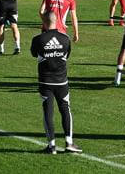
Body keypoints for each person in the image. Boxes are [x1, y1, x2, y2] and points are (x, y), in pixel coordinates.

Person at [31, 12, 81, 154]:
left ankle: (51, 145)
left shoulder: (38, 39)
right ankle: (69, 142)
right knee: (65, 109)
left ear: (44, 22)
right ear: (57, 21)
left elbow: (34, 54)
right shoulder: (65, 39)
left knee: (48, 111)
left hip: (45, 81)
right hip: (61, 81)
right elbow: (67, 55)